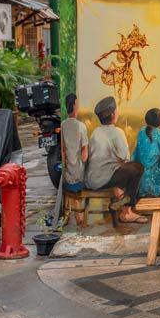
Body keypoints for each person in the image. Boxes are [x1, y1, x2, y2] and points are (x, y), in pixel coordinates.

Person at [85, 96, 147, 224]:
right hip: (107, 179)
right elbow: (125, 157)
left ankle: (124, 202)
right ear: (113, 114)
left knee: (118, 171)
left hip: (92, 180)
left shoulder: (95, 132)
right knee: (137, 168)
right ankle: (127, 210)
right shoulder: (118, 132)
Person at [60, 93, 89, 226]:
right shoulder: (81, 126)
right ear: (74, 106)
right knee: (77, 196)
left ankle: (67, 218)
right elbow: (84, 153)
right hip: (78, 172)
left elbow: (63, 150)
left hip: (68, 173)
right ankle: (79, 220)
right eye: (77, 104)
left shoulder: (63, 125)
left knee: (69, 194)